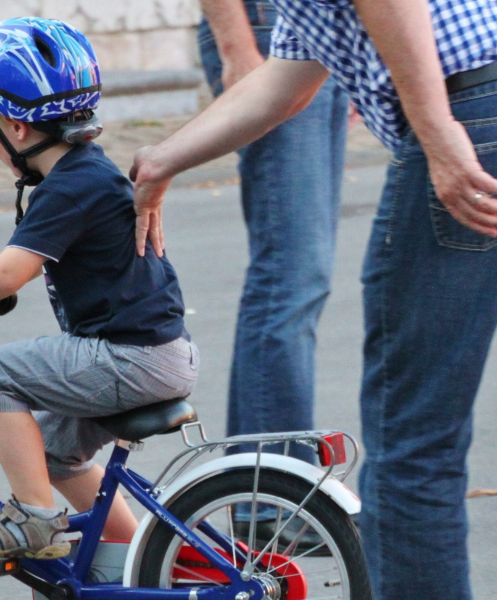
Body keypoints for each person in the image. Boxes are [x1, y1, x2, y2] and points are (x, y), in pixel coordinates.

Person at [128, 0, 497, 598]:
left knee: (414, 445)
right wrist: (167, 158)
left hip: (480, 112)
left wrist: (435, 128)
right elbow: (287, 81)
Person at [0, 17, 199, 560]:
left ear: (16, 127)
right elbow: (18, 269)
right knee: (53, 454)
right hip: (154, 353)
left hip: (131, 357)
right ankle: (130, 558)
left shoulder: (71, 187)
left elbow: (9, 272)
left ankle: (32, 518)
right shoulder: (81, 175)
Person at [198, 0, 347, 460]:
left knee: (295, 278)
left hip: (322, 36)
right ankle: (274, 492)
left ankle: (258, 489)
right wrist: (236, 45)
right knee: (291, 276)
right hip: (267, 32)